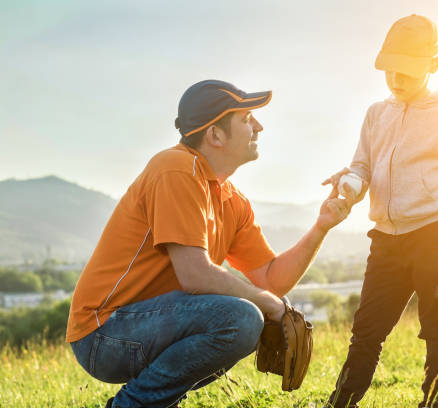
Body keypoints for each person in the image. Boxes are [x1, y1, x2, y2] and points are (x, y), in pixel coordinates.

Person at [66, 79, 351, 408]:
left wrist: (321, 226)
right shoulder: (175, 168)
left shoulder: (232, 200)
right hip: (104, 333)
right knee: (241, 317)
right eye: (246, 119)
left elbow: (272, 279)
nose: (258, 126)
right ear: (215, 135)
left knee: (251, 309)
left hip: (146, 326)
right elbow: (195, 275)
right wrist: (270, 304)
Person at [323, 15, 438, 408]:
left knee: (436, 325)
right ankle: (341, 402)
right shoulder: (375, 114)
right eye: (390, 70)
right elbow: (362, 166)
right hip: (386, 241)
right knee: (366, 330)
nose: (397, 79)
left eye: (408, 72)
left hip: (435, 235)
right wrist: (349, 185)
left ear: (433, 66)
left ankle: (436, 402)